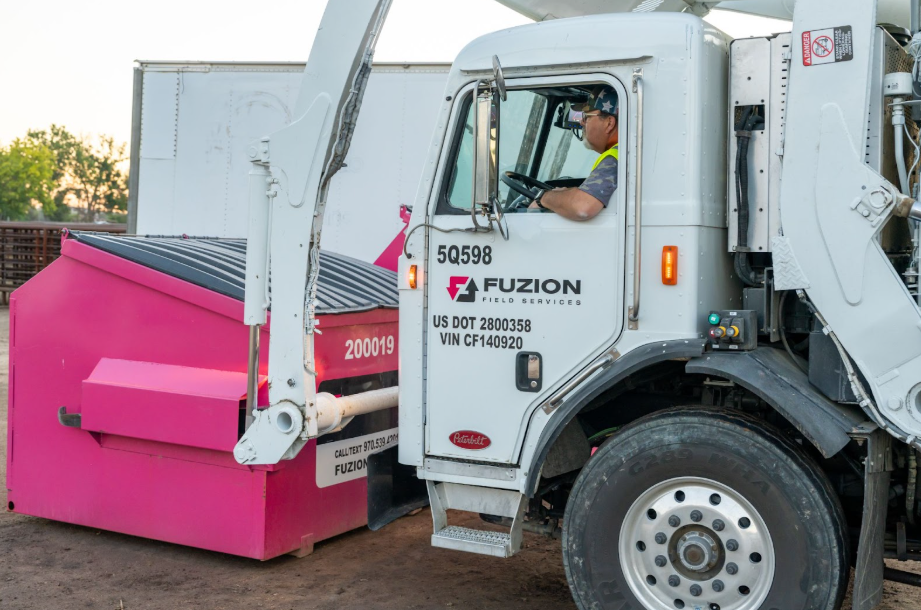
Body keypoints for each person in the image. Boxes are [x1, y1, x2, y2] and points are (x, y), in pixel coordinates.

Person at [529, 86, 618, 221]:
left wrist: (543, 198)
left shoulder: (615, 158)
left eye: (587, 116)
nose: (581, 122)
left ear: (609, 123)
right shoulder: (624, 153)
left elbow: (583, 207)